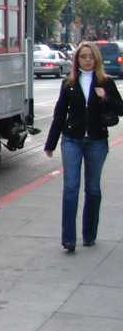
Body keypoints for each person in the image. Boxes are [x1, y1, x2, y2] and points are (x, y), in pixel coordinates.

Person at [44, 40, 123, 252]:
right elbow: (59, 115)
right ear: (77, 59)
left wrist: (105, 97)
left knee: (93, 189)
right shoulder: (68, 83)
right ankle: (69, 239)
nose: (87, 60)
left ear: (96, 59)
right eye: (83, 56)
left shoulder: (106, 82)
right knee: (71, 188)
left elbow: (121, 109)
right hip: (72, 140)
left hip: (97, 141)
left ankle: (89, 235)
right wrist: (50, 144)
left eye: (90, 57)